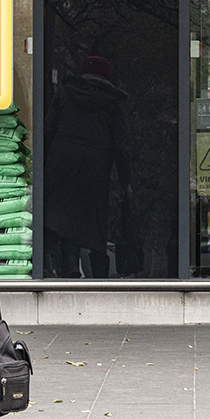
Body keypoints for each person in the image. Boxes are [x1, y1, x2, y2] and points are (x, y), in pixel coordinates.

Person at [45, 56, 133, 278]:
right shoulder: (113, 101)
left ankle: (70, 266)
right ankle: (99, 275)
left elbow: (48, 130)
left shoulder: (65, 93)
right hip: (96, 165)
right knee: (93, 217)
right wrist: (125, 181)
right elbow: (121, 145)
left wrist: (41, 164)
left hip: (62, 160)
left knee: (64, 213)